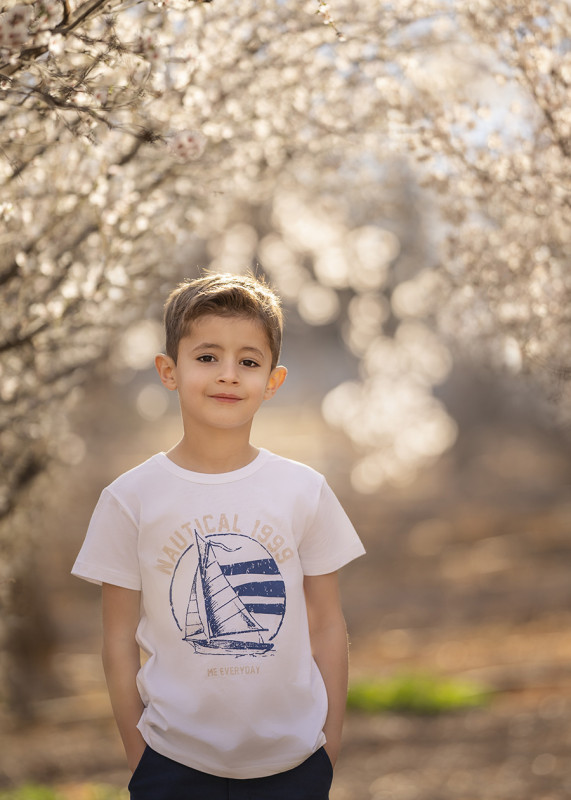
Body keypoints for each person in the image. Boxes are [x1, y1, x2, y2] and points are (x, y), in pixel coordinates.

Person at [72, 272, 365, 800]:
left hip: (295, 760)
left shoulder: (304, 490)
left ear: (272, 381)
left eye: (248, 362)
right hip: (172, 762)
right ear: (169, 370)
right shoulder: (130, 498)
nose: (228, 375)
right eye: (207, 357)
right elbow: (117, 640)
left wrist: (329, 744)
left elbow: (326, 622)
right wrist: (141, 758)